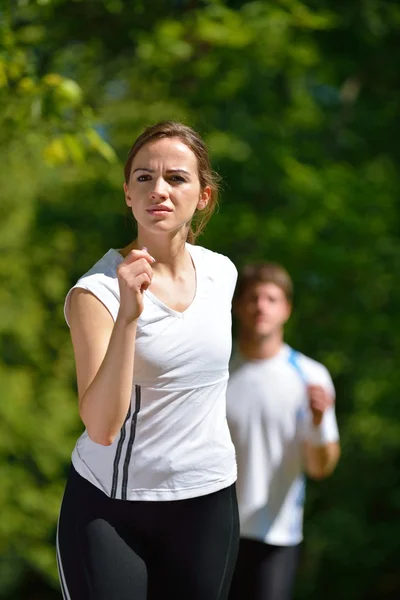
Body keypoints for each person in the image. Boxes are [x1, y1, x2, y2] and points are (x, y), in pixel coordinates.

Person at [56, 121, 240, 600]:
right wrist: (128, 319)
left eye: (176, 178)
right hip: (112, 510)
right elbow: (101, 426)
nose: (158, 189)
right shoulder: (95, 294)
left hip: (208, 502)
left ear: (203, 196)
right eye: (143, 177)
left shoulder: (223, 273)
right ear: (127, 194)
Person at [227, 263, 340, 600]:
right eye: (252, 298)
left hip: (277, 535)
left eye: (272, 299)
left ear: (286, 309)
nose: (261, 306)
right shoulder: (214, 371)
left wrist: (319, 422)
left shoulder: (310, 376)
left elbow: (321, 468)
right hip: (215, 533)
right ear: (237, 306)